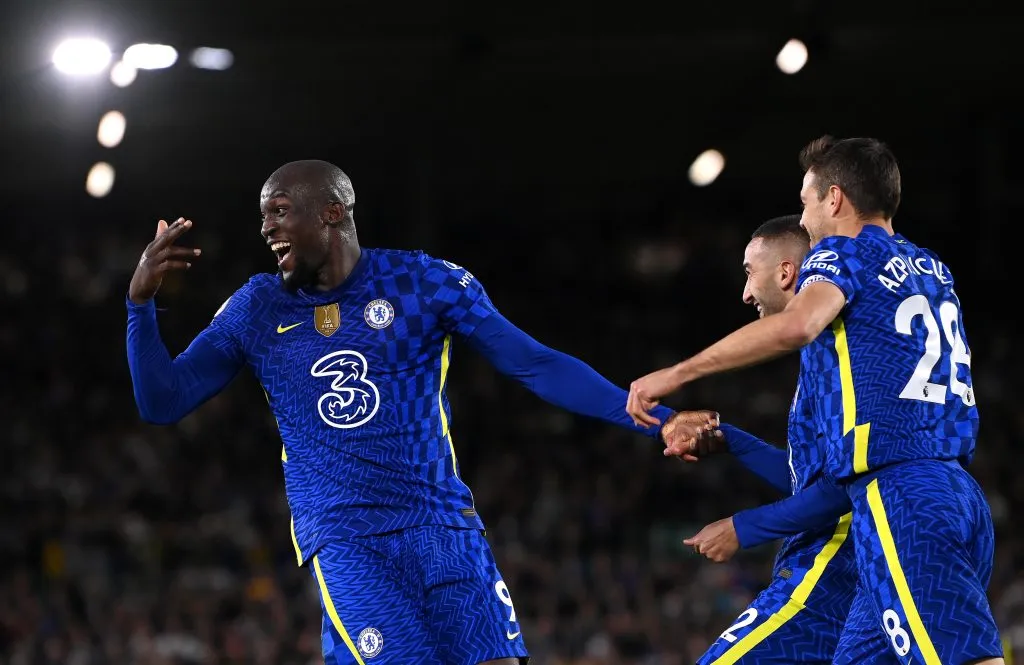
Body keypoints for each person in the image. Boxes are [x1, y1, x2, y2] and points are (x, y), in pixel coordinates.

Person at [125, 160, 707, 665]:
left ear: (332, 212)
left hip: (443, 525)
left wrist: (654, 417)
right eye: (262, 218)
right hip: (349, 539)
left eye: (278, 211)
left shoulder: (422, 282)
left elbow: (535, 364)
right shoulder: (257, 307)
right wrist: (140, 306)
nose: (267, 229)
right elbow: (163, 401)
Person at [630, 136, 1003, 664]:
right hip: (955, 491)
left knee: (965, 656)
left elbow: (799, 324)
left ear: (834, 199)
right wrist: (729, 440)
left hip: (901, 495)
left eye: (805, 201)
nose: (803, 220)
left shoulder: (841, 252)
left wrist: (677, 373)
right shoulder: (932, 269)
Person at [661, 215, 888, 664]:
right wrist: (730, 440)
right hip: (852, 570)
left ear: (786, 273)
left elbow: (848, 486)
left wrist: (742, 528)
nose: (745, 293)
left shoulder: (837, 355)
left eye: (749, 272)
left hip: (834, 562)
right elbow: (811, 479)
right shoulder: (822, 355)